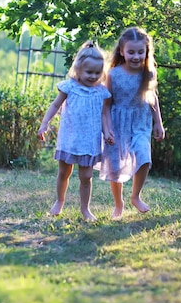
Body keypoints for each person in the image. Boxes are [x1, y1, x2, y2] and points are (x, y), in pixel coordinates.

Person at [37, 41, 111, 222]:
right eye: (89, 72)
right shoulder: (69, 87)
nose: (93, 76)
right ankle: (59, 201)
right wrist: (45, 123)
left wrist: (107, 131)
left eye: (97, 73)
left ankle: (85, 208)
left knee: (86, 176)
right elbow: (55, 105)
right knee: (64, 172)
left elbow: (104, 114)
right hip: (70, 138)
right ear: (78, 69)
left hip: (89, 140)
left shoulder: (101, 92)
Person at [99, 26, 165, 219]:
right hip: (117, 123)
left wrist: (158, 123)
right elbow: (106, 104)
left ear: (146, 51)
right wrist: (108, 128)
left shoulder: (149, 73)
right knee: (115, 165)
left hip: (140, 123)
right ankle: (118, 204)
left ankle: (135, 196)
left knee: (144, 156)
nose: (136, 56)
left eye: (140, 52)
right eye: (131, 52)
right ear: (122, 51)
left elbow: (153, 98)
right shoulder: (113, 74)